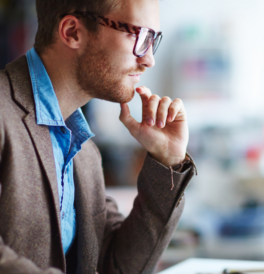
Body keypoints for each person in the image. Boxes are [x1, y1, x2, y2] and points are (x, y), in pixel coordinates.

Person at [0, 0, 197, 272]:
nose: (149, 59)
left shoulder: (83, 150)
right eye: (139, 35)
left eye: (153, 39)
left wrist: (168, 163)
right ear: (72, 32)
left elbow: (117, 267)